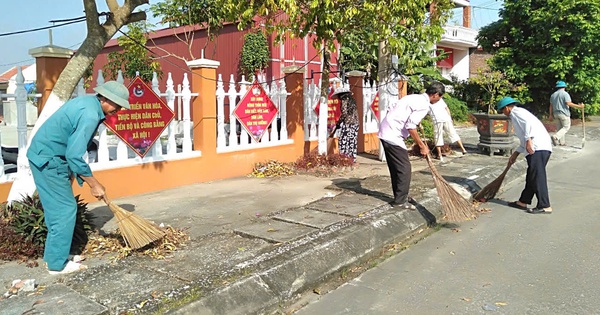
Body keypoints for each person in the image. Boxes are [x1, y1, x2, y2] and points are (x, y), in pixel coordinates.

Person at [27, 81, 130, 274]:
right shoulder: (90, 114)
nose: (118, 109)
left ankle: (54, 256)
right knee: (65, 210)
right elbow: (74, 155)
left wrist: (75, 173)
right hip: (49, 159)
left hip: (47, 155)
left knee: (57, 210)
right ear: (106, 99)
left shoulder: (88, 103)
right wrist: (94, 184)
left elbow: (71, 146)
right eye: (117, 105)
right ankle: (57, 266)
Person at [378, 82, 445, 209]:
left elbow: (394, 108)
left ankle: (400, 196)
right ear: (435, 95)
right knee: (404, 168)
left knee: (396, 168)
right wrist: (422, 146)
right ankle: (400, 201)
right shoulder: (424, 105)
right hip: (393, 134)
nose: (439, 100)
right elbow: (410, 126)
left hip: (385, 130)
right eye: (440, 97)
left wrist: (416, 122)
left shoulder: (413, 97)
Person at [497, 97, 553, 214]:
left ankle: (545, 205)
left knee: (537, 176)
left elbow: (529, 126)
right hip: (539, 147)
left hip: (537, 147)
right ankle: (523, 201)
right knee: (532, 176)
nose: (504, 113)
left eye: (503, 110)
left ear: (507, 108)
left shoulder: (516, 112)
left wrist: (528, 140)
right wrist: (516, 153)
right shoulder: (518, 114)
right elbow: (523, 137)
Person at [428, 97, 467, 162]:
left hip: (438, 120)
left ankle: (440, 155)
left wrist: (449, 118)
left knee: (438, 136)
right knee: (452, 133)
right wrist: (450, 118)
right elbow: (447, 108)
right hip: (444, 119)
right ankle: (463, 149)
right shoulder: (438, 99)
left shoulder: (431, 101)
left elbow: (446, 108)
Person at [549, 80, 584, 146]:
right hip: (564, 113)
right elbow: (568, 103)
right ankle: (556, 137)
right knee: (566, 127)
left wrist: (550, 115)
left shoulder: (553, 95)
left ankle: (562, 142)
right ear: (564, 87)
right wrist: (579, 106)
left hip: (556, 113)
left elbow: (551, 105)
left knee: (560, 128)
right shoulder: (565, 94)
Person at [330, 89, 359, 162]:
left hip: (348, 123)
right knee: (352, 141)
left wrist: (339, 122)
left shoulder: (344, 101)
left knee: (343, 140)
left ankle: (344, 158)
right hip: (355, 124)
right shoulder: (352, 100)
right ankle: (352, 158)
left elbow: (344, 113)